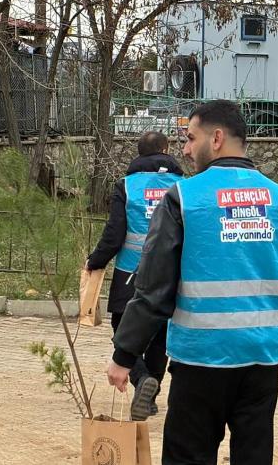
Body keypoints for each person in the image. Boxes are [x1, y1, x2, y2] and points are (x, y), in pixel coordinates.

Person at [105, 99, 278, 465]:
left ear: (217, 138)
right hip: (261, 362)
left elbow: (154, 288)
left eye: (191, 138)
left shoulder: (184, 199)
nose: (184, 149)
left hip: (200, 360)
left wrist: (124, 355)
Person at [85, 131, 183, 421]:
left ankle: (141, 380)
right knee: (161, 332)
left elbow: (114, 234)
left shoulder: (126, 186)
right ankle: (150, 393)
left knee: (121, 325)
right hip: (172, 273)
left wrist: (96, 260)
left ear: (139, 155)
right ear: (166, 150)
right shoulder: (185, 187)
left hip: (130, 273)